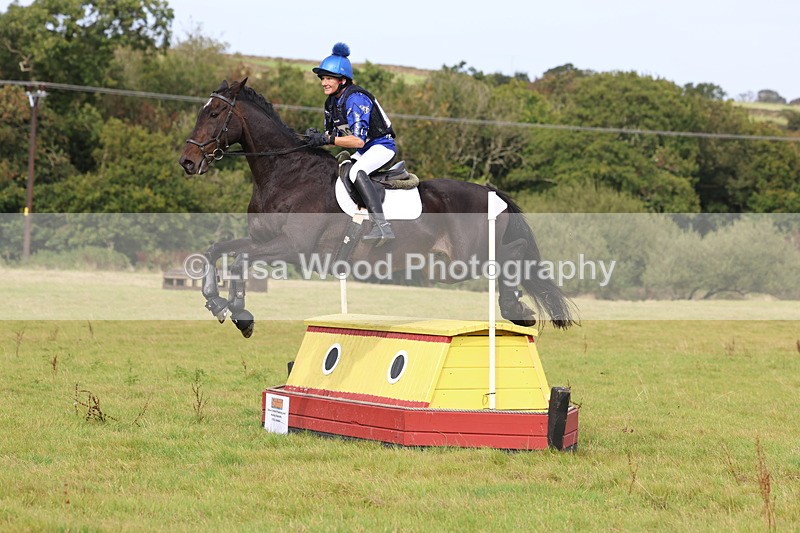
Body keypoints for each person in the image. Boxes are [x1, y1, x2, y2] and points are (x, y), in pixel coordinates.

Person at [305, 42, 396, 243]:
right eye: (323, 78)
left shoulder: (355, 99)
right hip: (365, 149)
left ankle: (382, 226)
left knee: (356, 172)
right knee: (339, 170)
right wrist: (315, 139)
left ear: (343, 80)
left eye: (329, 78)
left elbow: (356, 140)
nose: (323, 82)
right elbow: (332, 135)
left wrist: (327, 139)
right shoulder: (331, 102)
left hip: (382, 146)